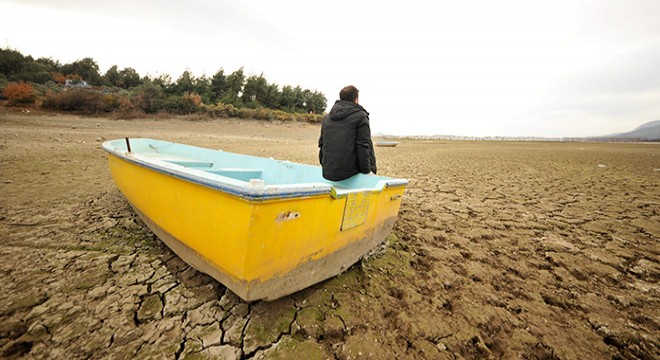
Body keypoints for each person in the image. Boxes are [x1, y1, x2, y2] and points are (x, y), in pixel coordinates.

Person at [318, 85, 377, 181]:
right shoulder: (361, 116)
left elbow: (322, 144)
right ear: (356, 99)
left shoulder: (327, 118)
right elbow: (362, 145)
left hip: (328, 173)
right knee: (366, 144)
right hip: (349, 173)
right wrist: (367, 172)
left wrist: (325, 166)